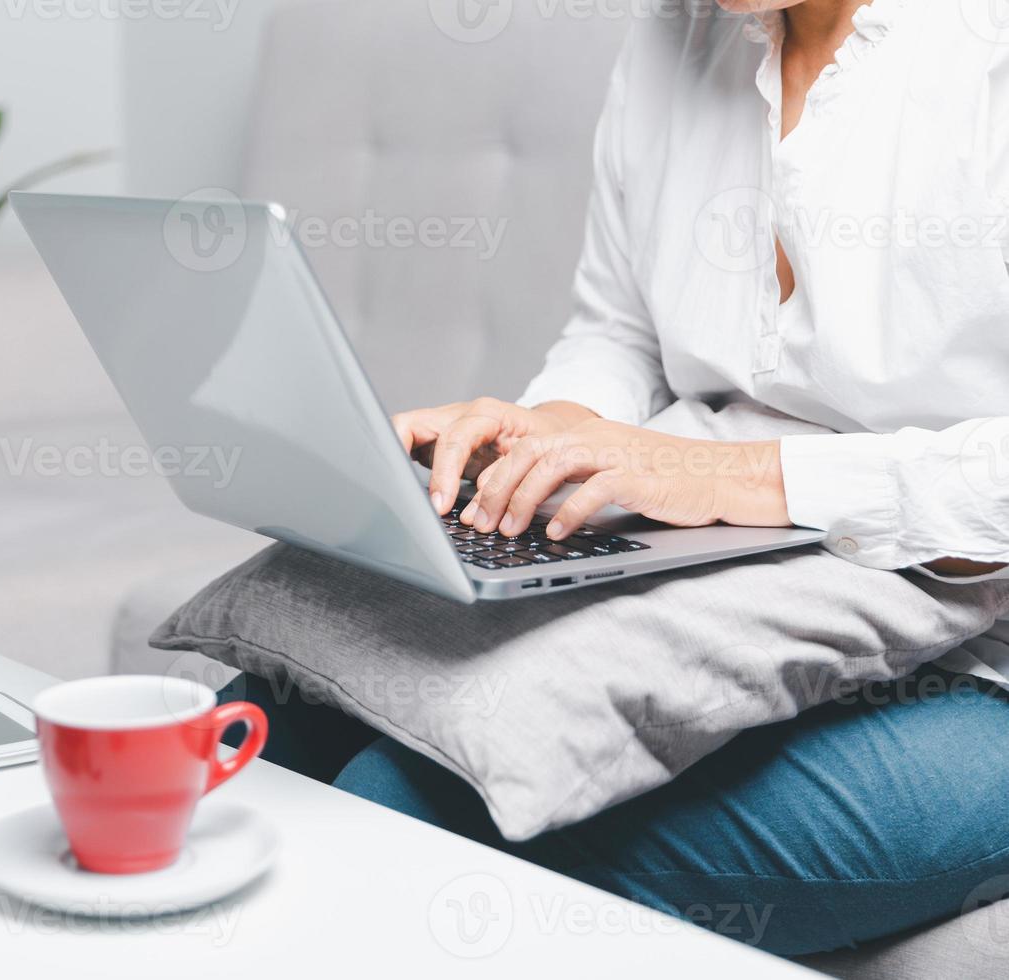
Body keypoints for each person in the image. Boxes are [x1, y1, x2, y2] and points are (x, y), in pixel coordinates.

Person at [221, 0, 1009, 956]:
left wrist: (732, 475)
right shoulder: (682, 29)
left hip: (980, 670)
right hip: (736, 591)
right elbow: (617, 330)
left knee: (406, 811)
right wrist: (558, 428)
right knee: (257, 731)